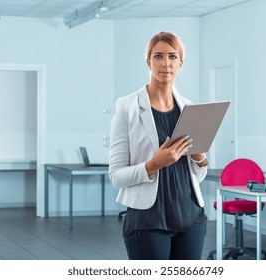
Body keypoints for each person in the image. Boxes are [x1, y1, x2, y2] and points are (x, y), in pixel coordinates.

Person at [108, 31, 209, 260]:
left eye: (173, 57)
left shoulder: (189, 109)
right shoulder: (127, 107)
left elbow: (195, 177)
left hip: (191, 217)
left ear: (181, 63)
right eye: (158, 56)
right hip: (148, 222)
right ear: (148, 61)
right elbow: (116, 176)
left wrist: (200, 159)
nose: (166, 64)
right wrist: (153, 164)